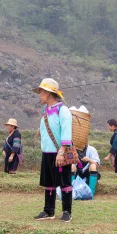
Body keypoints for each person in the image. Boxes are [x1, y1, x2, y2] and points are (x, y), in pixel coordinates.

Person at [33, 78, 73, 223]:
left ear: (49, 94)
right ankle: (48, 210)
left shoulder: (63, 111)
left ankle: (67, 211)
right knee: (49, 182)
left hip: (59, 153)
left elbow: (66, 131)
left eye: (42, 92)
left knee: (64, 182)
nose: (40, 95)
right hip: (47, 153)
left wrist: (61, 152)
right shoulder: (46, 111)